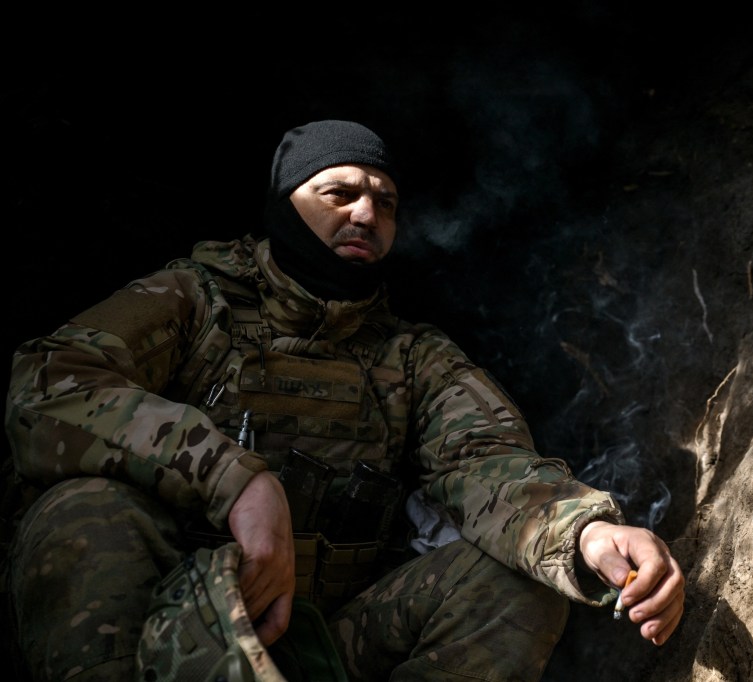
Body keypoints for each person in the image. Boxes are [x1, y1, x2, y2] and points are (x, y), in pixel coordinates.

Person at [3, 120, 684, 681]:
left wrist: (583, 531)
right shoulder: (196, 301)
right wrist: (235, 480)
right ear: (285, 203)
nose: (366, 214)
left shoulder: (411, 356)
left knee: (517, 581)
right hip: (173, 626)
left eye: (386, 203)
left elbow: (485, 464)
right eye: (339, 192)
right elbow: (48, 384)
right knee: (81, 510)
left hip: (332, 642)